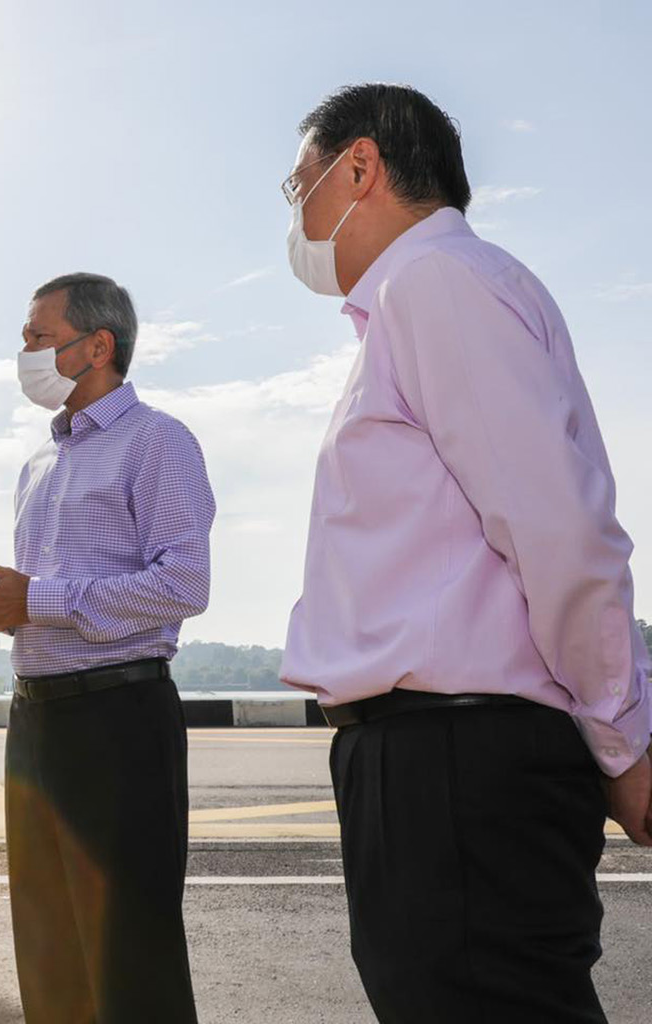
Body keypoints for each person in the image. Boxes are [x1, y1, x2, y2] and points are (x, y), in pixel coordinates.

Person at [279, 83, 652, 1022]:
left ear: (357, 168)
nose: (296, 213)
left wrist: (624, 736)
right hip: (434, 760)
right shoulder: (422, 298)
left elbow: (557, 530)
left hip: (459, 764)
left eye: (299, 186)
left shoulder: (437, 284)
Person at [0, 272, 215, 1023]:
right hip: (37, 724)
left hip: (119, 719)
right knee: (48, 949)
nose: (23, 350)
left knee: (130, 956)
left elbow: (184, 584)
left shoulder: (159, 441)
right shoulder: (39, 462)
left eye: (37, 335)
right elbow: (52, 590)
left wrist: (37, 599)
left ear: (98, 345)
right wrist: (11, 612)